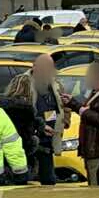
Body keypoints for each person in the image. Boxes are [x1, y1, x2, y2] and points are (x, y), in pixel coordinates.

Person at [30, 53, 69, 185]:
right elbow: (18, 111)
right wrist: (38, 126)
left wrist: (66, 119)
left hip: (49, 139)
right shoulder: (24, 83)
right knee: (32, 178)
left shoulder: (55, 84)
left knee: (49, 179)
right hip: (32, 139)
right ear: (35, 67)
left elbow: (64, 104)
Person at [0, 73, 43, 168]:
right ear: (31, 91)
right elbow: (25, 141)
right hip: (17, 160)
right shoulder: (26, 111)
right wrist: (35, 140)